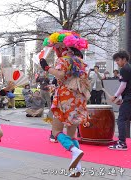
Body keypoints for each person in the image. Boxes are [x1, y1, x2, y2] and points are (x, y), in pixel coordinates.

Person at [40, 30, 90, 177]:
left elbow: (61, 75)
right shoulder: (79, 61)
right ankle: (77, 167)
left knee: (56, 132)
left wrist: (47, 68)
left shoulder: (63, 59)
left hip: (65, 97)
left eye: (56, 48)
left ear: (62, 47)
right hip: (79, 98)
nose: (55, 51)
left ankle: (74, 150)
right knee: (72, 133)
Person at [108, 51, 131, 151]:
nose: (116, 62)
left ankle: (121, 143)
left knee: (121, 119)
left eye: (118, 60)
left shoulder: (124, 69)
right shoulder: (129, 68)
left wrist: (115, 96)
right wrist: (121, 99)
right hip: (128, 97)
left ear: (124, 59)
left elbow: (123, 85)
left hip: (129, 98)